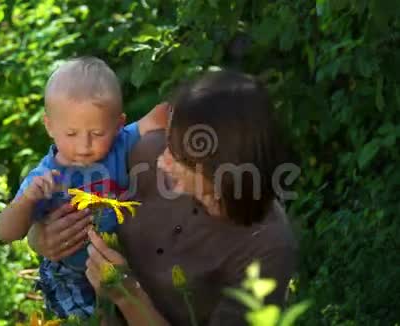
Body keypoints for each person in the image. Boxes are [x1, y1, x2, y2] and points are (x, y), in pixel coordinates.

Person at [28, 70, 298, 325]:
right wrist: (41, 237)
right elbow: (58, 194)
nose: (163, 161)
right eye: (168, 141)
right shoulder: (145, 155)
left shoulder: (266, 247)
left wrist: (126, 294)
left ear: (223, 169)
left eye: (179, 157)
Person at [0, 56, 168, 318]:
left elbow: (157, 117)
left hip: (118, 263)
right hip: (69, 274)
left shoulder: (119, 144)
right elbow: (5, 233)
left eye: (97, 133)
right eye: (71, 134)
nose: (84, 145)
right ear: (50, 126)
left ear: (118, 124)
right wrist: (26, 201)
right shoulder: (47, 176)